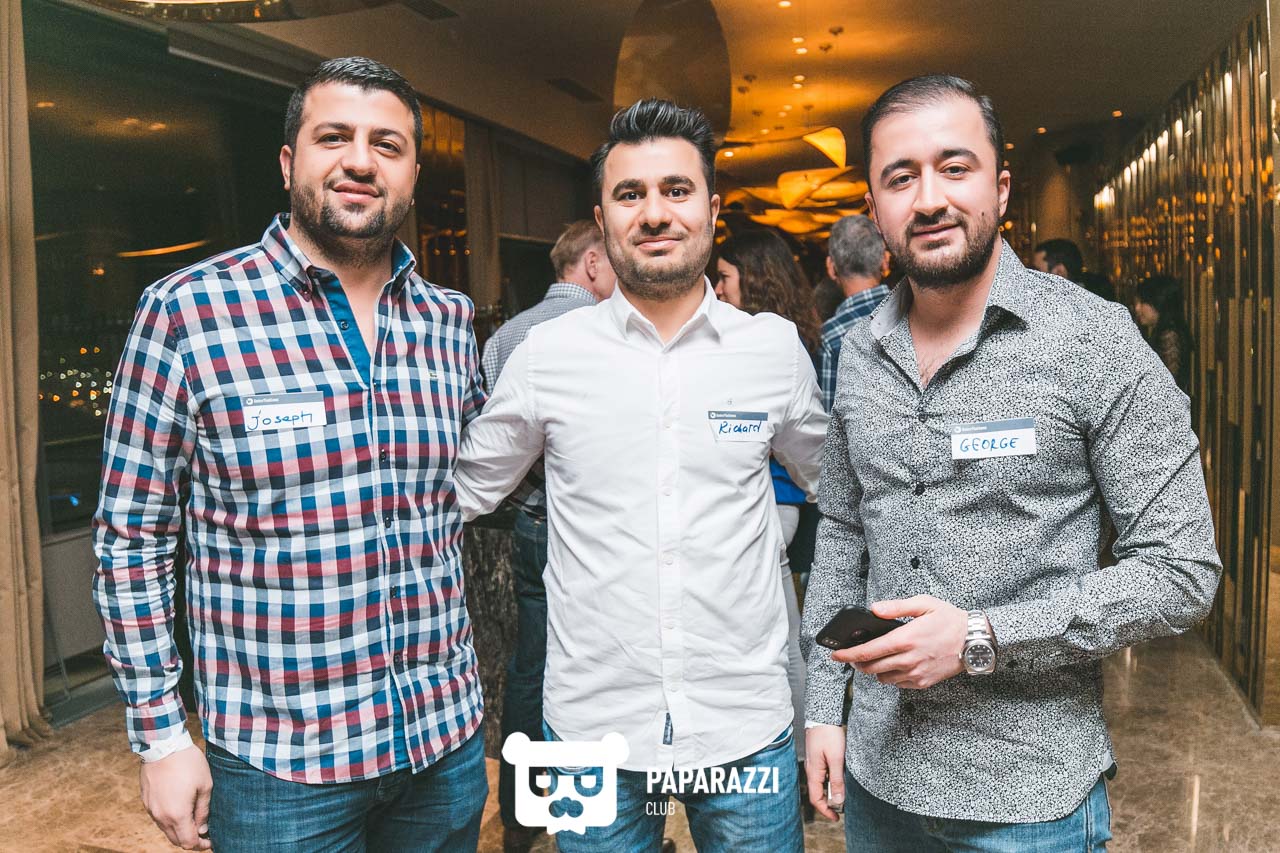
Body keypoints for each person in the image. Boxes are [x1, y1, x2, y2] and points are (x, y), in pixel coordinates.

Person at [802, 74, 1221, 852]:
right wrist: (825, 704)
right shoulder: (858, 351)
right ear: (875, 207)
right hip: (879, 784)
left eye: (954, 168)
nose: (930, 199)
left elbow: (1182, 569)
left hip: (1030, 800)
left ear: (1000, 187)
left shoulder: (1093, 339)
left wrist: (982, 635)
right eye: (901, 177)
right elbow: (843, 530)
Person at [93, 57, 489, 852]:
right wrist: (161, 734)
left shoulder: (449, 321)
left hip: (442, 740)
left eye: (387, 144)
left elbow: (478, 485)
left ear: (412, 174)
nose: (360, 161)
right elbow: (131, 536)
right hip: (282, 767)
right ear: (288, 162)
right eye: (333, 137)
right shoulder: (187, 313)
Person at [456, 99, 827, 851]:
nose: (654, 213)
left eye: (676, 190)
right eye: (631, 194)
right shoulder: (548, 355)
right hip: (590, 726)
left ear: (711, 210)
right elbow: (461, 490)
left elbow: (839, 488)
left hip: (743, 723)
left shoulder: (771, 350)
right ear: (603, 220)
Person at [481, 219, 614, 852]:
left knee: (531, 668)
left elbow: (492, 440)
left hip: (530, 522)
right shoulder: (600, 332)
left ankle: (520, 816)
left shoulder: (505, 336)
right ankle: (591, 821)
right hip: (590, 527)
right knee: (598, 673)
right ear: (591, 262)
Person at [713, 227, 822, 812]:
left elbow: (810, 454)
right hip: (784, 506)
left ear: (752, 280)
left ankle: (797, 763)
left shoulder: (764, 346)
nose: (718, 289)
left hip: (772, 506)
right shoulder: (789, 337)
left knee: (779, 644)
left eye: (725, 278)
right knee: (782, 639)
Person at [817, 214, 890, 412]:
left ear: (831, 268)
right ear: (885, 261)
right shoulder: (919, 315)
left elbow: (830, 418)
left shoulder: (830, 337)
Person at [1133, 274, 1193, 393]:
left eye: (1143, 302)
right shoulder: (1163, 331)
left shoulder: (1170, 335)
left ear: (1159, 302)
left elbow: (1168, 384)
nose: (1137, 308)